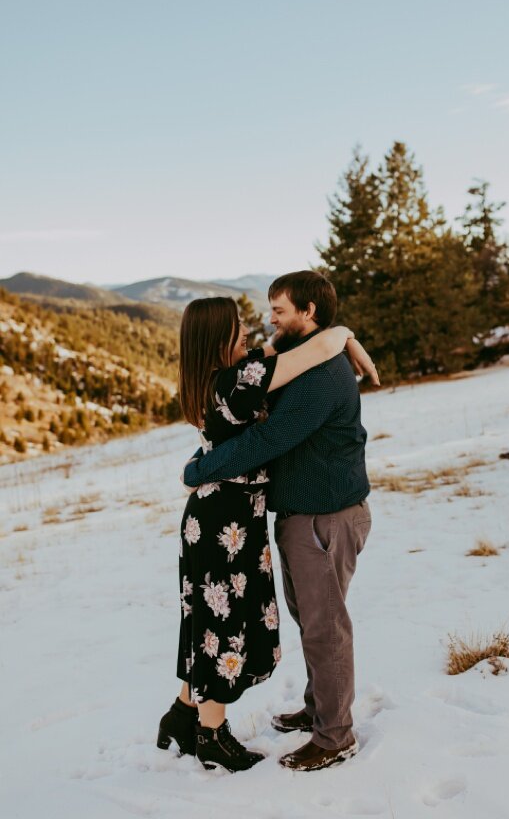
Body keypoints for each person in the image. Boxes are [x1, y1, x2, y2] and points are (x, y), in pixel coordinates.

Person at [156, 294, 376, 773]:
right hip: (226, 523)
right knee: (221, 626)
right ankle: (211, 734)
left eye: (276, 310)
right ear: (219, 339)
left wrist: (344, 335)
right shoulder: (237, 382)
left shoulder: (213, 376)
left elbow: (291, 353)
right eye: (239, 328)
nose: (253, 331)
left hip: (215, 517)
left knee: (205, 620)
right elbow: (303, 366)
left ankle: (182, 713)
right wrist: (339, 336)